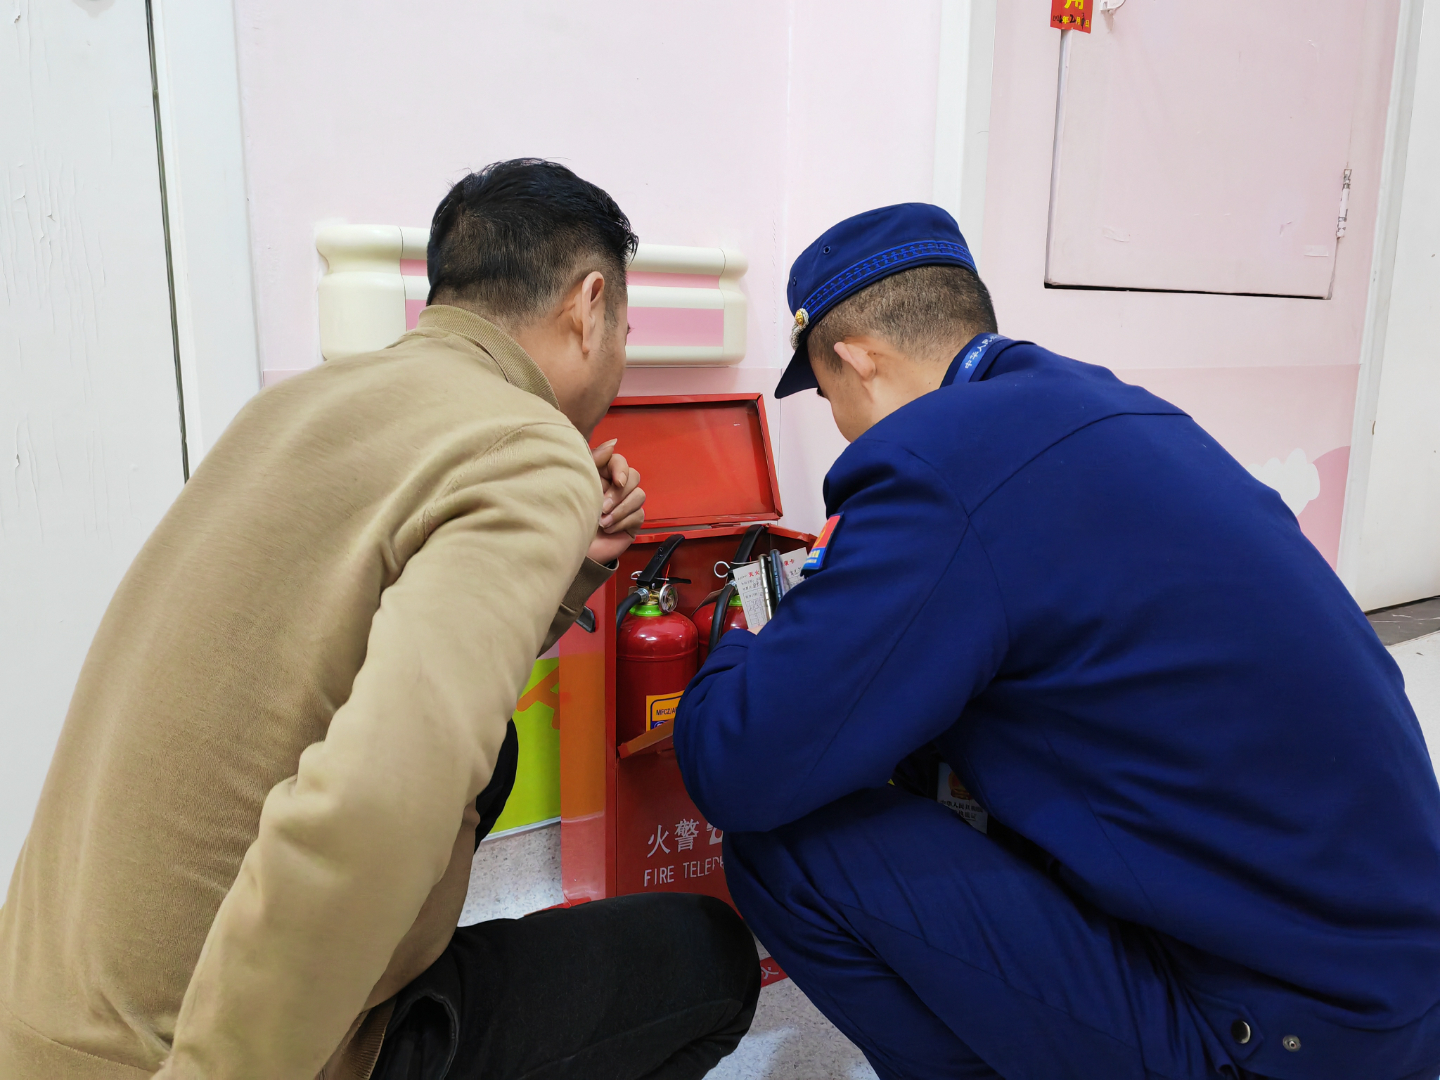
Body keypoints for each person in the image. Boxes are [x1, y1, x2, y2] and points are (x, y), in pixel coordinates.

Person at [0, 159, 759, 1080]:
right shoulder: (531, 446)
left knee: (491, 754)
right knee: (712, 960)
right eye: (626, 335)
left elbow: (387, 648)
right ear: (589, 306)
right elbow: (377, 802)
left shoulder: (289, 407)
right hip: (199, 1054)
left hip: (40, 1013)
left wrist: (577, 560)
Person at [674, 203, 1440, 1080]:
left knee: (785, 847)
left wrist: (745, 629)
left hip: (1282, 1037)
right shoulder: (1118, 411)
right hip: (1393, 989)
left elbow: (739, 766)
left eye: (827, 396)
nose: (842, 426)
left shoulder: (932, 462)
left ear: (857, 359)